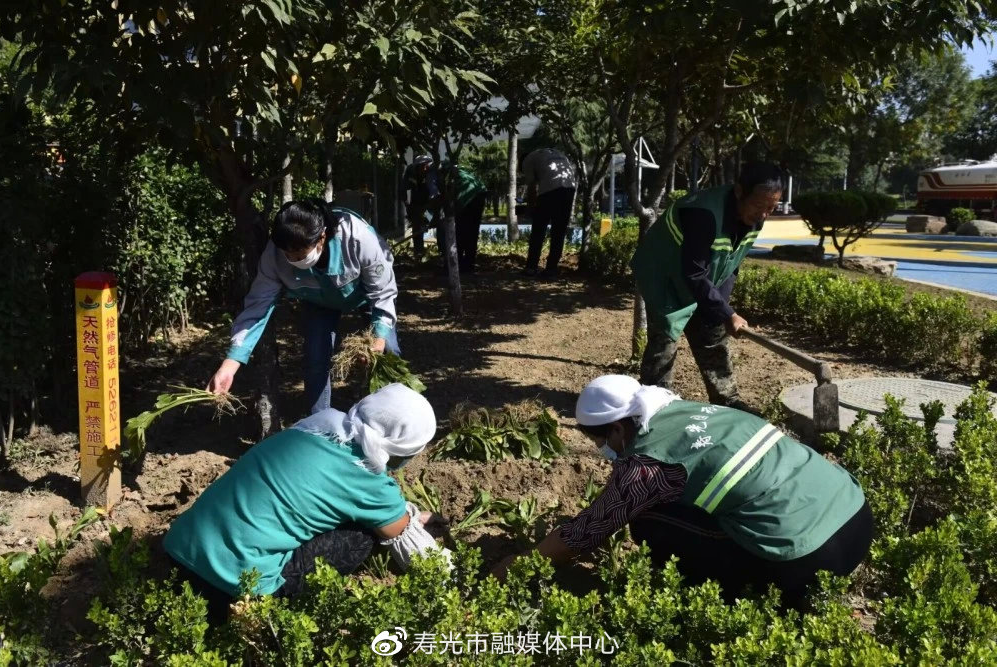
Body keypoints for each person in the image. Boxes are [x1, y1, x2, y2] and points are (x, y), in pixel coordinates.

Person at [494, 375, 873, 610]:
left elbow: (584, 535)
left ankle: (707, 590)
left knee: (643, 518)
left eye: (595, 438)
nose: (600, 448)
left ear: (616, 430)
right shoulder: (692, 410)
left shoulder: (645, 466)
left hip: (805, 560)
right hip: (855, 518)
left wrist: (520, 564)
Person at [164, 383, 449, 620]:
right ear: (402, 446)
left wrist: (406, 514)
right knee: (364, 536)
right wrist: (450, 576)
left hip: (179, 553)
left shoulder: (315, 426)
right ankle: (273, 607)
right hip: (234, 586)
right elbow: (407, 541)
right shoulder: (368, 481)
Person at [207, 199, 399, 414]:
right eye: (289, 255)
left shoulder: (357, 238)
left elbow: (382, 293)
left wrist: (379, 337)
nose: (294, 259)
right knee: (315, 358)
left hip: (366, 295)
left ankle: (392, 412)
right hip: (318, 301)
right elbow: (257, 308)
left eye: (300, 253)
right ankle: (319, 423)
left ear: (322, 237)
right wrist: (230, 364)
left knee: (387, 353)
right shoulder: (274, 254)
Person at [631, 163, 784, 411]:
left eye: (772, 208)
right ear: (739, 191)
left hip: (696, 273)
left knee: (712, 331)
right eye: (759, 206)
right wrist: (728, 313)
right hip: (664, 272)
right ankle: (655, 406)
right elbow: (693, 274)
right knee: (665, 339)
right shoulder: (703, 214)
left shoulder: (755, 218)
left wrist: (720, 312)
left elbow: (731, 263)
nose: (764, 214)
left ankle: (727, 400)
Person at [404, 155, 487, 274]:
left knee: (458, 232)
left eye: (418, 169)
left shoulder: (431, 174)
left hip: (466, 195)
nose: (419, 174)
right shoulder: (444, 165)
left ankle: (454, 268)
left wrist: (434, 218)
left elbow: (436, 198)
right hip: (479, 191)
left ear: (424, 166)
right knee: (471, 232)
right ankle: (468, 267)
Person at [520, 147, 577, 278]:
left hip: (550, 190)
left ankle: (531, 268)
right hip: (569, 188)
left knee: (538, 230)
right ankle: (551, 269)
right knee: (559, 230)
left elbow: (532, 187)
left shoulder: (527, 161)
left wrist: (530, 208)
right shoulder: (551, 153)